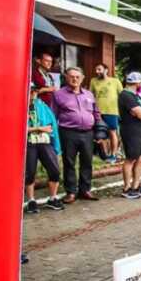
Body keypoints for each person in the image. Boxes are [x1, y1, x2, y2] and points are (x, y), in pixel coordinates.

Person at [51, 66, 101, 204]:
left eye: (77, 77)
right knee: (69, 162)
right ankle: (71, 192)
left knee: (87, 162)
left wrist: (100, 131)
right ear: (66, 77)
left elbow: (96, 113)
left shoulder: (89, 94)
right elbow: (53, 115)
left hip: (88, 133)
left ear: (82, 78)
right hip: (68, 132)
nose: (75, 79)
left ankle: (85, 190)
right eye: (72, 76)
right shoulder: (58, 94)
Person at [24, 83, 63, 213]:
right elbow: (17, 128)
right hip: (29, 143)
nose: (33, 93)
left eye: (35, 91)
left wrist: (56, 146)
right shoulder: (20, 106)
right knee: (30, 173)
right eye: (30, 91)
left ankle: (52, 198)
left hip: (45, 142)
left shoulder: (43, 106)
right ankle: (31, 201)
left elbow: (53, 127)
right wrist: (38, 128)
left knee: (55, 171)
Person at [117, 72, 141, 199]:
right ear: (137, 82)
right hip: (131, 130)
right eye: (140, 82)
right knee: (131, 158)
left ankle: (135, 185)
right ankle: (126, 187)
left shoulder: (136, 96)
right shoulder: (126, 95)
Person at [90, 63, 123, 164]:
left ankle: (113, 154)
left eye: (99, 69)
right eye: (96, 70)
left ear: (106, 70)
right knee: (99, 134)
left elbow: (122, 96)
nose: (97, 72)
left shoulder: (115, 81)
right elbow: (90, 95)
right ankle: (103, 155)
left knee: (112, 132)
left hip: (112, 111)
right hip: (97, 112)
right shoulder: (93, 81)